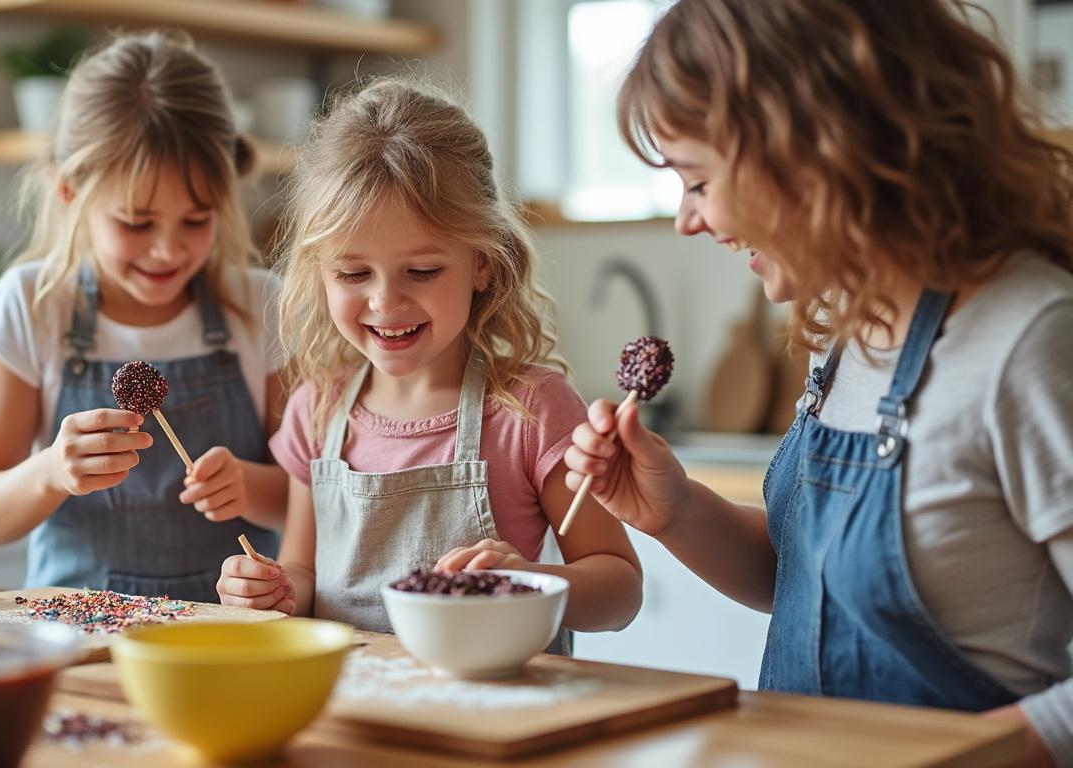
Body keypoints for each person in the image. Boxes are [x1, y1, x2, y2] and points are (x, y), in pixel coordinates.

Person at [567, 1, 1073, 764]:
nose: (687, 220)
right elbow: (809, 588)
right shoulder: (842, 327)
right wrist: (672, 512)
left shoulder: (1028, 340)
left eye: (698, 181)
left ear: (812, 150)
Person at [215, 79, 643, 642]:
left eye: (422, 271)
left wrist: (533, 582)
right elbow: (303, 573)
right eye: (352, 274)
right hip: (354, 714)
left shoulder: (532, 411)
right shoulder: (314, 411)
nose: (386, 302)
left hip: (500, 718)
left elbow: (621, 589)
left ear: (484, 263)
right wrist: (273, 590)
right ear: (318, 271)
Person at [0, 31, 287, 603]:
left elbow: (315, 496)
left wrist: (251, 487)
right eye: (136, 223)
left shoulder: (261, 307)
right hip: (72, 640)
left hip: (229, 638)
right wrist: (52, 472)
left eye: (197, 219)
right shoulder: (34, 306)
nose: (167, 250)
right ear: (68, 191)